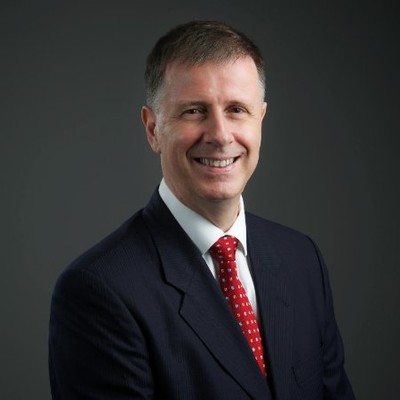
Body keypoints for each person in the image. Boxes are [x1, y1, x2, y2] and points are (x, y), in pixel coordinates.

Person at [49, 20, 355, 399]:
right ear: (153, 129)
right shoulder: (99, 290)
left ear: (260, 120)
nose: (221, 135)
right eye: (194, 111)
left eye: (237, 109)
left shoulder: (301, 259)